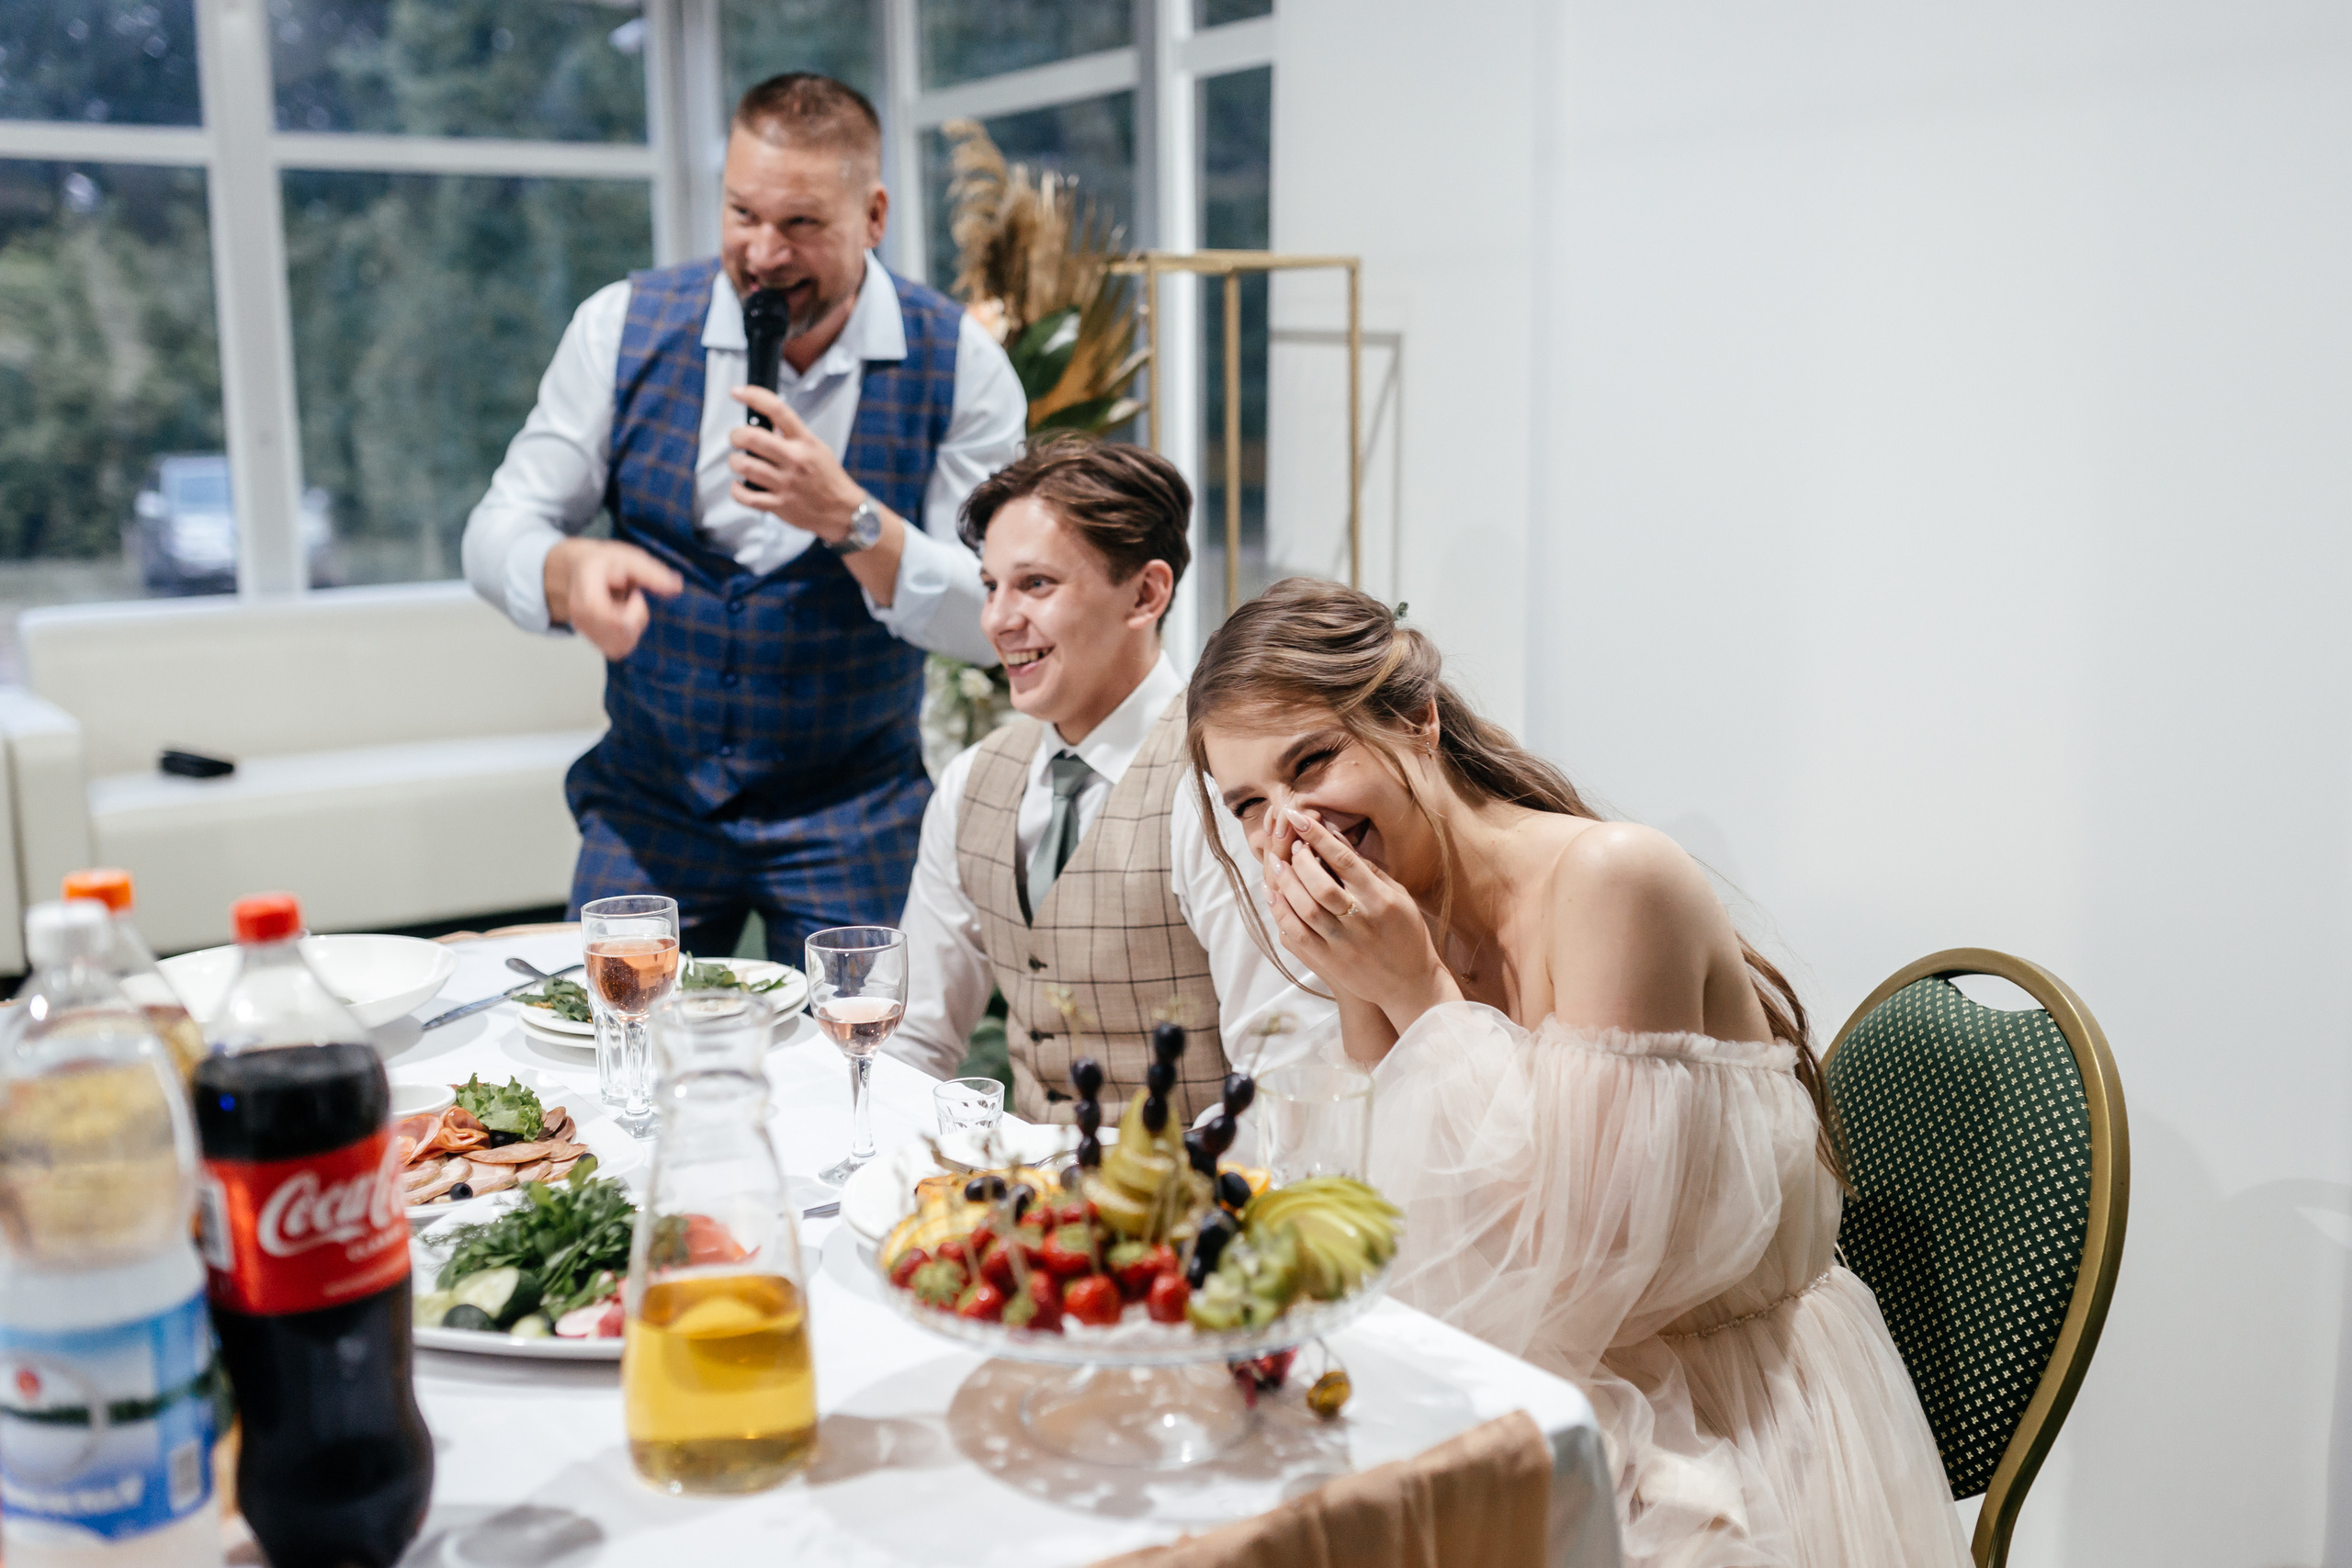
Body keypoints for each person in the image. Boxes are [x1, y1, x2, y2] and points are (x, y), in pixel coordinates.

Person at [1186, 578, 1971, 1568]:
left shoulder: (1613, 882)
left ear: (1419, 720)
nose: (1288, 830)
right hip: (1544, 1381)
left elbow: (1572, 1264)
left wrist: (1416, 990)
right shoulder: (1388, 916)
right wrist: (1365, 985)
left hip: (1716, 1417)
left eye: (1312, 762)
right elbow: (1394, 1228)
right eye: (1249, 805)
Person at [461, 73, 1023, 962]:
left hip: (854, 814)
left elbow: (992, 620)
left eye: (800, 224)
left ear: (874, 216)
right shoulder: (619, 327)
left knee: (866, 1070)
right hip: (650, 802)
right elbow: (498, 526)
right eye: (741, 215)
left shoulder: (962, 366)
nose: (762, 254)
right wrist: (566, 572)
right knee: (606, 1055)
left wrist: (852, 522)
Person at [892, 438, 1332, 1123]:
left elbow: (1290, 1073)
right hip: (1019, 1206)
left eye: (1035, 584)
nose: (998, 620)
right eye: (990, 586)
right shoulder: (969, 783)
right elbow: (912, 1043)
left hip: (1196, 1206)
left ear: (1146, 593)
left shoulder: (1226, 786)